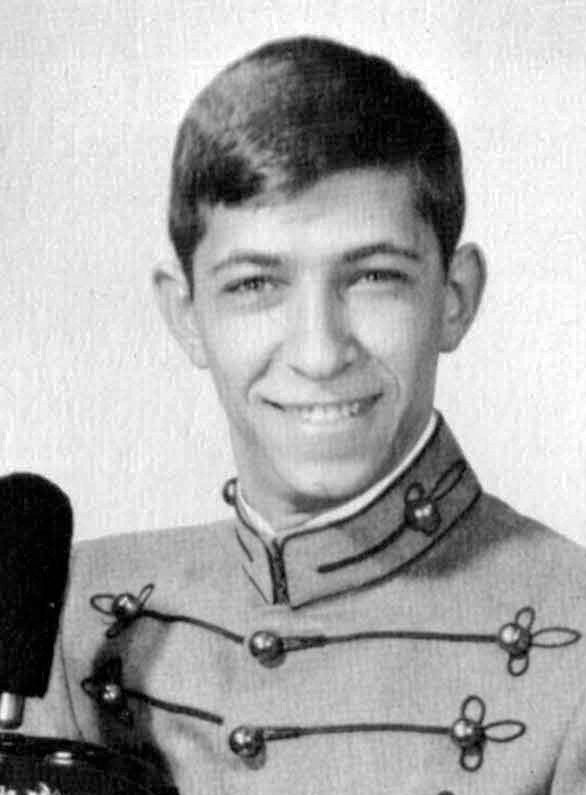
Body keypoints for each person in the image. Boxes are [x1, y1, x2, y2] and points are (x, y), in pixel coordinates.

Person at [22, 36, 586, 794]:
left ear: (455, 299)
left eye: (375, 276)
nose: (319, 353)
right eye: (255, 285)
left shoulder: (574, 635)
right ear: (185, 315)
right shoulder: (62, 617)